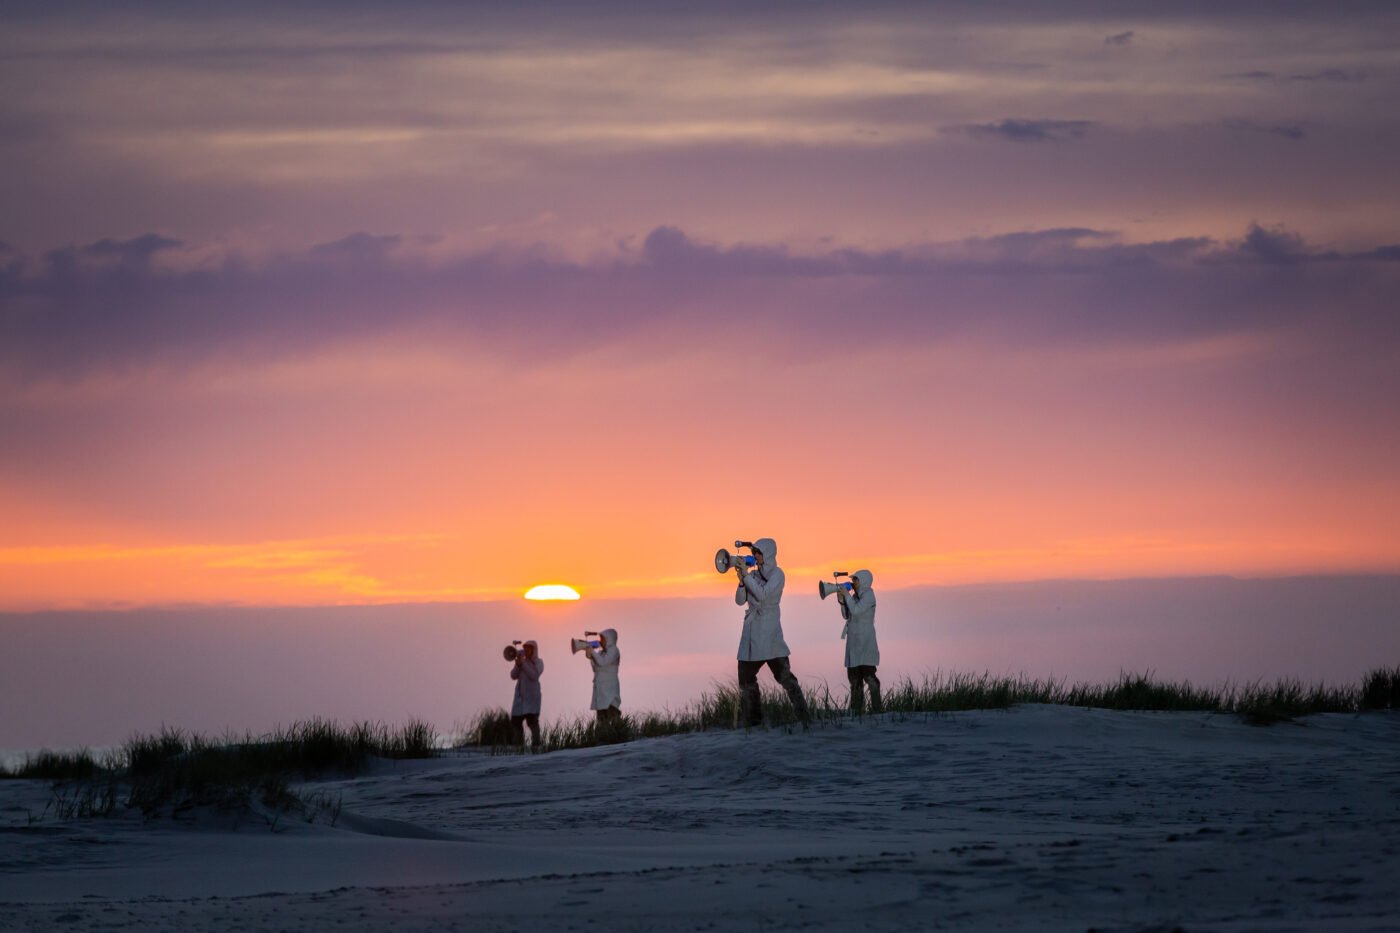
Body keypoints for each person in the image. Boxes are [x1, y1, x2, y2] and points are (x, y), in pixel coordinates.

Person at [733, 537, 810, 727]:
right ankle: (754, 720)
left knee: (785, 677)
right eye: (754, 553)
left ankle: (803, 716)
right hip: (752, 634)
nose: (755, 556)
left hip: (769, 632)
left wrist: (748, 576)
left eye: (758, 552)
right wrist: (742, 581)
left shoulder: (778, 574)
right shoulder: (754, 575)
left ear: (767, 554)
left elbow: (764, 595)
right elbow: (739, 600)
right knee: (745, 679)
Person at [837, 569, 882, 714]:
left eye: (855, 580)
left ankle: (877, 708)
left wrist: (847, 596)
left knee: (869, 675)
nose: (853, 582)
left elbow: (857, 611)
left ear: (863, 581)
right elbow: (847, 615)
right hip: (854, 641)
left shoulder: (869, 595)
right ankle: (857, 710)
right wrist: (842, 601)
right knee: (854, 679)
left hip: (865, 640)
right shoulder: (856, 597)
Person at [510, 640, 544, 748]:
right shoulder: (522, 662)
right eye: (525, 648)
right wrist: (517, 665)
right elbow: (513, 676)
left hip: (532, 698)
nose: (526, 650)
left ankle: (536, 745)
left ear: (534, 649)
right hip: (520, 699)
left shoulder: (539, 662)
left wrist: (523, 664)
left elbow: (534, 675)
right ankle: (518, 746)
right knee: (516, 722)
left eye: (529, 648)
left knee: (532, 722)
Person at [584, 628, 622, 723]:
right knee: (601, 718)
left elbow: (603, 662)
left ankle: (618, 734)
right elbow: (595, 668)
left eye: (603, 639)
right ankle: (603, 735)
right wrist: (591, 657)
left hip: (609, 689)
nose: (601, 641)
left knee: (612, 714)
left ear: (609, 639)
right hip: (601, 689)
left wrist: (592, 652)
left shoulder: (614, 650)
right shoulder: (601, 653)